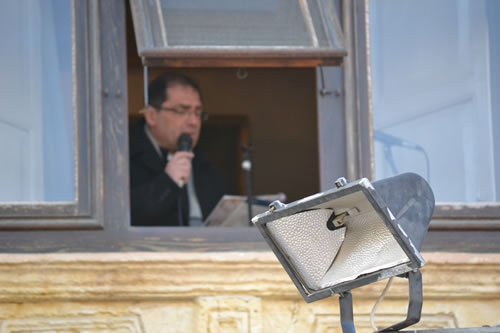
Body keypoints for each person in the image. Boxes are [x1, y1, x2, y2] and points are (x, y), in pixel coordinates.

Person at [129, 73, 231, 226]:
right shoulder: (124, 157)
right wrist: (168, 182)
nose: (193, 122)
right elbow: (124, 219)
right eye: (182, 111)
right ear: (151, 116)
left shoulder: (205, 165)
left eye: (197, 112)